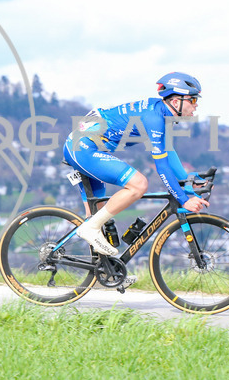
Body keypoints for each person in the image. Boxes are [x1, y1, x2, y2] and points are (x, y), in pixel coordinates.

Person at [63, 72, 209, 287]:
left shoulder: (161, 114)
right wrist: (184, 199)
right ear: (176, 100)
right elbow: (161, 166)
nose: (196, 106)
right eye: (193, 100)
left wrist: (187, 182)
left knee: (97, 217)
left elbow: (169, 154)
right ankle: (89, 229)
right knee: (139, 184)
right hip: (82, 149)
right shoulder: (154, 118)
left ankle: (109, 273)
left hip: (87, 146)